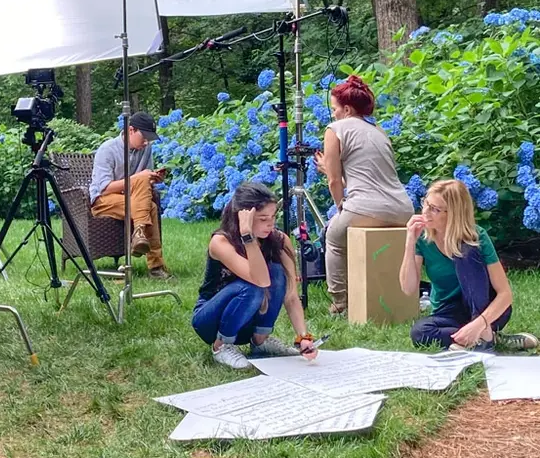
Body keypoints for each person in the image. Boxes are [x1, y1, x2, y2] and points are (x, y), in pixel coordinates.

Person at [192, 182, 319, 370]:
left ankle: (260, 340)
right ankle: (221, 345)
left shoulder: (279, 240)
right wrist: (247, 236)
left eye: (273, 217)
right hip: (212, 320)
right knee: (253, 286)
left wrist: (303, 337)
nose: (270, 224)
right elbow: (260, 280)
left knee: (277, 271)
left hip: (248, 320)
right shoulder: (221, 242)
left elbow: (291, 295)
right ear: (243, 216)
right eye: (262, 218)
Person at [400, 179, 538, 352]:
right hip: (448, 312)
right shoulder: (423, 238)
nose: (425, 212)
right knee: (420, 332)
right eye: (426, 204)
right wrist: (410, 241)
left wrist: (480, 322)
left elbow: (505, 295)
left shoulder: (477, 236)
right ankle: (488, 340)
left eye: (435, 209)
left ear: (454, 214)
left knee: (466, 249)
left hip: (486, 310)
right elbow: (408, 288)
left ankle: (482, 335)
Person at [315, 75, 414, 314]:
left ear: (346, 109)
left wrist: (340, 207)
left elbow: (334, 180)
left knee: (333, 238)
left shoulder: (335, 129)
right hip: (403, 208)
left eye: (335, 108)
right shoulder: (378, 130)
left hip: (365, 209)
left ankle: (341, 302)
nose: (334, 113)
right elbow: (370, 179)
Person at [89, 111, 170, 280]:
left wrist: (153, 178)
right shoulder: (107, 149)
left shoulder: (146, 149)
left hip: (133, 198)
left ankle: (139, 234)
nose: (147, 142)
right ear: (131, 130)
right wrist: (137, 179)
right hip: (104, 200)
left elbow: (142, 184)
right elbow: (104, 188)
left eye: (150, 138)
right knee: (150, 208)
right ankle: (156, 267)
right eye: (144, 137)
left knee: (150, 204)